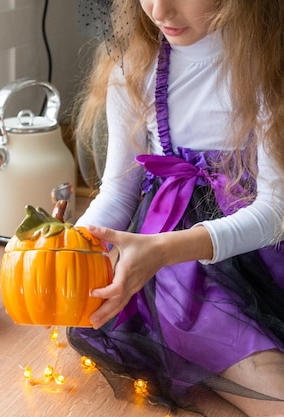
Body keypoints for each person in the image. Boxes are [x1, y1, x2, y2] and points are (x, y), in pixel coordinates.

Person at [69, 1, 284, 416]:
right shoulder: (134, 68)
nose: (159, 9)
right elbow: (118, 194)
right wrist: (66, 248)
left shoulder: (268, 69)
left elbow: (276, 212)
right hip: (177, 280)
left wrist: (163, 249)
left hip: (261, 253)